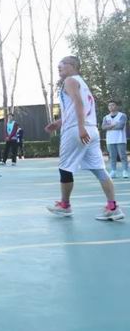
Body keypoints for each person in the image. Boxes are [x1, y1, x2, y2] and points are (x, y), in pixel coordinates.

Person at [45, 56, 124, 221]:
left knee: (65, 168)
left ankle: (65, 205)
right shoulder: (83, 83)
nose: (59, 67)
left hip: (76, 130)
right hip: (91, 129)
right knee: (99, 169)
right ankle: (113, 207)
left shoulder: (70, 80)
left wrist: (80, 128)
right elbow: (78, 108)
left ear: (73, 65)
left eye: (62, 64)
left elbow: (79, 103)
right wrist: (60, 122)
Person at [102, 100, 128, 179]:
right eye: (109, 105)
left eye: (113, 105)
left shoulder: (122, 115)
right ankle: (113, 171)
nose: (111, 107)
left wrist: (109, 127)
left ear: (116, 106)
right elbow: (103, 127)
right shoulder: (106, 117)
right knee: (112, 156)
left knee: (123, 156)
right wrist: (113, 124)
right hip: (110, 140)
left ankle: (125, 171)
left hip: (120, 139)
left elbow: (120, 126)